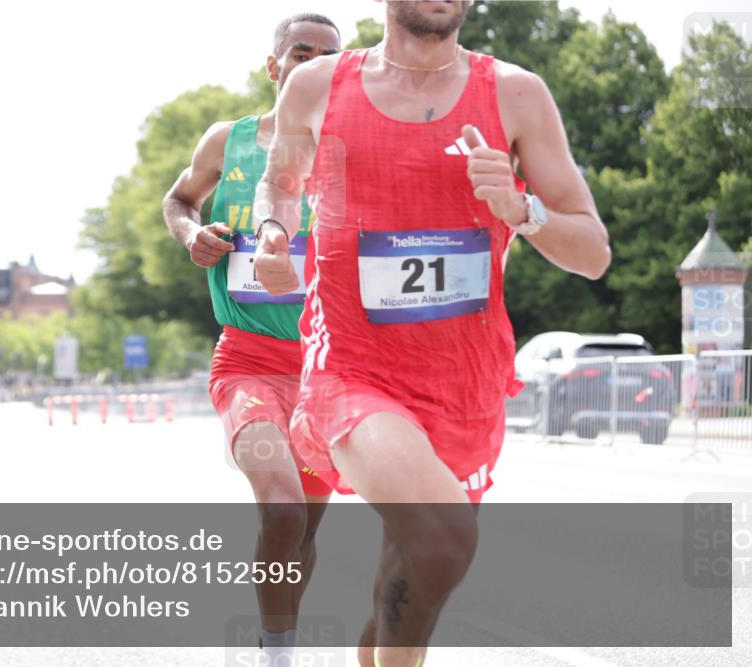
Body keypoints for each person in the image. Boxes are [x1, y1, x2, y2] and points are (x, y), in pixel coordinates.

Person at [251, 1, 611, 665]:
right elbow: (279, 184)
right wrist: (274, 234)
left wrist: (521, 209)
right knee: (445, 538)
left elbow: (593, 252)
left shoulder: (517, 95)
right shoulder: (318, 85)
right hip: (354, 371)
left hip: (466, 386)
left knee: (415, 583)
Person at [162, 12, 341, 665]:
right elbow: (179, 200)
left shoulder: (356, 148)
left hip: (329, 366)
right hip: (248, 359)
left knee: (306, 526)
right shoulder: (229, 140)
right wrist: (193, 236)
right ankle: (278, 657)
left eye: (328, 54)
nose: (314, 62)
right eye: (301, 51)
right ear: (275, 66)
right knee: (283, 511)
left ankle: (280, 634)